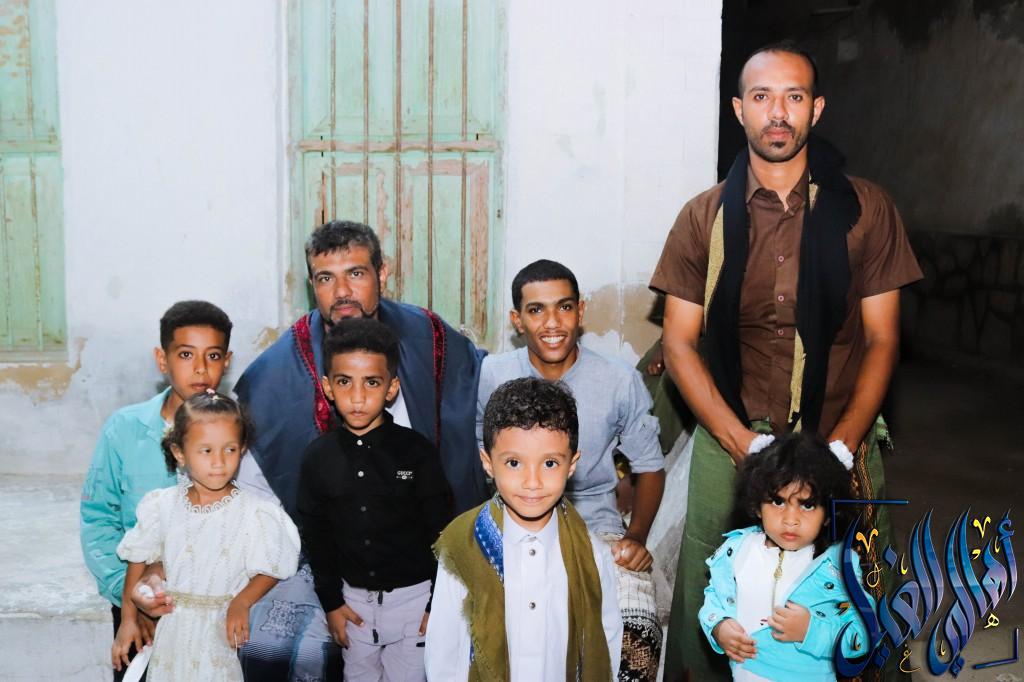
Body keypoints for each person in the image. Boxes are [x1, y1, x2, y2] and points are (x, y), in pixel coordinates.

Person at [650, 43, 922, 680]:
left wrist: (844, 449)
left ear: (816, 109)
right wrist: (739, 442)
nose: (778, 113)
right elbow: (679, 343)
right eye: (763, 97)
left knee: (856, 584)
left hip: (837, 428)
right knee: (712, 586)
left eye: (794, 97)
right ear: (739, 109)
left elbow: (883, 340)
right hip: (733, 430)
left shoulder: (866, 209)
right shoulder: (703, 217)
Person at [232, 220, 487, 680]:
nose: (342, 292)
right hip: (343, 564)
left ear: (381, 273)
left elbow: (482, 402)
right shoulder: (282, 367)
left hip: (419, 563)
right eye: (325, 278)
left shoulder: (428, 336)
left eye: (356, 273)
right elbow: (260, 488)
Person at [476, 259, 665, 680]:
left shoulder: (618, 380)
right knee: (496, 635)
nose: (552, 323)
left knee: (636, 631)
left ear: (580, 311)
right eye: (536, 310)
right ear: (517, 319)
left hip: (597, 526)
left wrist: (635, 537)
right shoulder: (494, 374)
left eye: (563, 307)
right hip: (512, 525)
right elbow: (482, 454)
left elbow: (650, 466)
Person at [427, 377, 622, 681]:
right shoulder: (460, 549)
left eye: (550, 464)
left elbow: (606, 641)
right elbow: (443, 655)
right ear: (488, 462)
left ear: (572, 465)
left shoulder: (593, 556)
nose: (533, 482)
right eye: (514, 463)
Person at [80, 300, 234, 681]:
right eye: (186, 354)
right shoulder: (124, 430)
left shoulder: (235, 435)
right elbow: (98, 520)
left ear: (227, 361)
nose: (201, 368)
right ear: (162, 359)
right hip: (135, 603)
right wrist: (132, 599)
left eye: (213, 355)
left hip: (210, 605)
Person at [297, 318, 452, 680]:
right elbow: (316, 536)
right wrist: (332, 603)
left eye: (371, 382)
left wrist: (436, 604)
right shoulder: (317, 458)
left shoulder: (417, 453)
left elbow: (444, 533)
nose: (357, 396)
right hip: (353, 606)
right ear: (327, 387)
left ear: (391, 387)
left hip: (415, 602)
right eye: (344, 382)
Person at [116, 391, 301, 681]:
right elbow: (137, 559)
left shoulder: (254, 512)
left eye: (229, 449)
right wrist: (128, 620)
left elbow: (273, 568)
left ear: (242, 449)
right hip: (172, 633)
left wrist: (242, 601)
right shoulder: (162, 506)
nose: (219, 462)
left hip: (218, 633)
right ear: (180, 452)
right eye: (206, 451)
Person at [700, 432, 873, 681]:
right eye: (778, 502)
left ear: (828, 514)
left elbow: (864, 634)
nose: (791, 520)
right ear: (756, 504)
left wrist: (811, 630)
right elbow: (714, 598)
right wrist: (718, 625)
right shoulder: (736, 550)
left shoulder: (837, 567)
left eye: (807, 505)